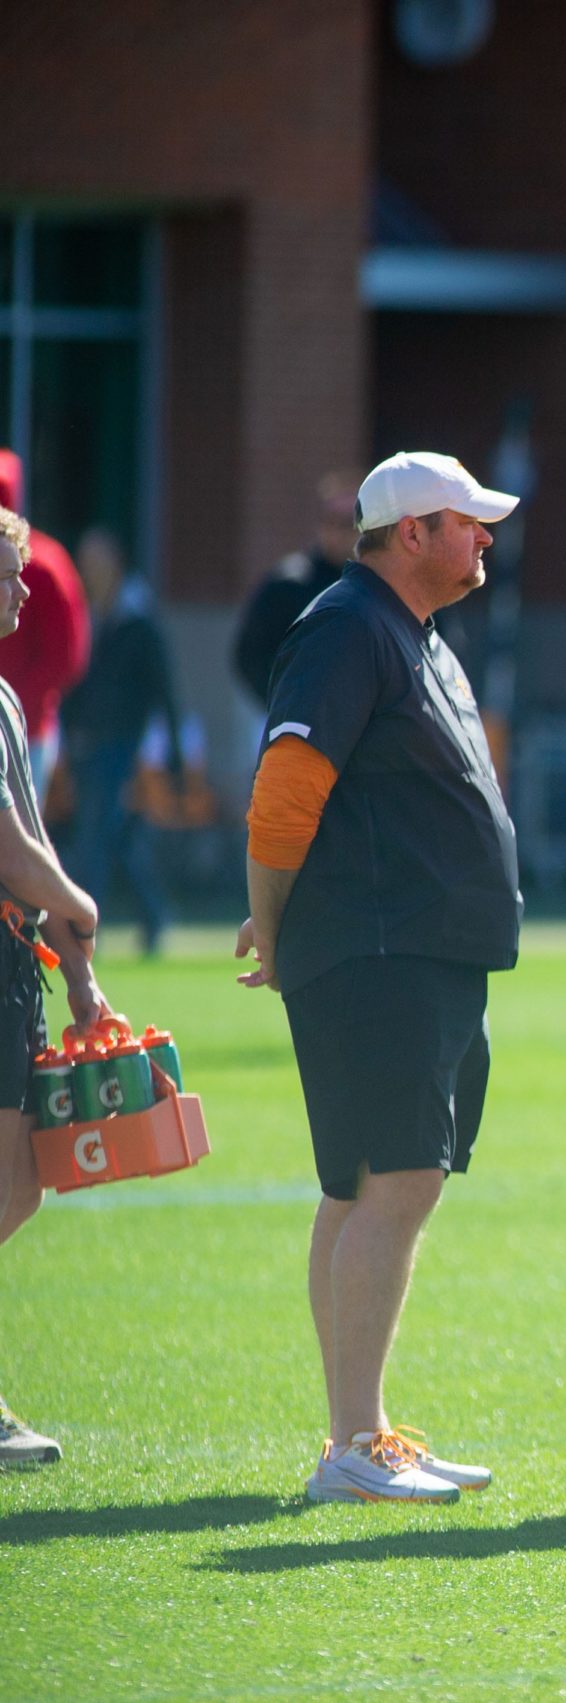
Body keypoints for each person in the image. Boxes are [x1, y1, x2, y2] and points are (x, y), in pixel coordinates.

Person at [234, 452, 523, 1504]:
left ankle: (362, 1428)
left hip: (417, 949)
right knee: (397, 1180)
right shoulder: (349, 624)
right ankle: (354, 1442)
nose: (485, 536)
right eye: (468, 522)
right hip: (384, 950)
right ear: (412, 534)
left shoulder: (410, 630)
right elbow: (284, 791)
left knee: (361, 1184)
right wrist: (271, 927)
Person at [0, 502, 112, 1468]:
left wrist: (76, 968)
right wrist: (77, 898)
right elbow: (9, 848)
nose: (20, 589)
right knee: (11, 1178)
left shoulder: (4, 698)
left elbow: (29, 837)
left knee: (21, 1180)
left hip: (13, 958)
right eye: (4, 573)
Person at [61, 528, 179, 957]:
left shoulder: (139, 619)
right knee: (120, 838)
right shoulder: (86, 614)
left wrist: (175, 755)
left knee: (94, 836)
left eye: (97, 562)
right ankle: (154, 915)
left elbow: (164, 689)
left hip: (124, 745)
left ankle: (87, 930)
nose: (89, 572)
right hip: (88, 743)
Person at [0, 451, 91, 803]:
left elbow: (65, 657)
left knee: (17, 833)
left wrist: (15, 698)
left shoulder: (44, 562)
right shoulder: (47, 560)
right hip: (28, 717)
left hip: (26, 725)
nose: (20, 591)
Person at [234, 471, 361, 707]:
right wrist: (286, 701)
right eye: (332, 520)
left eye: (350, 524)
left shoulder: (374, 585)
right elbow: (250, 656)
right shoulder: (288, 583)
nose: (342, 532)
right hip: (289, 715)